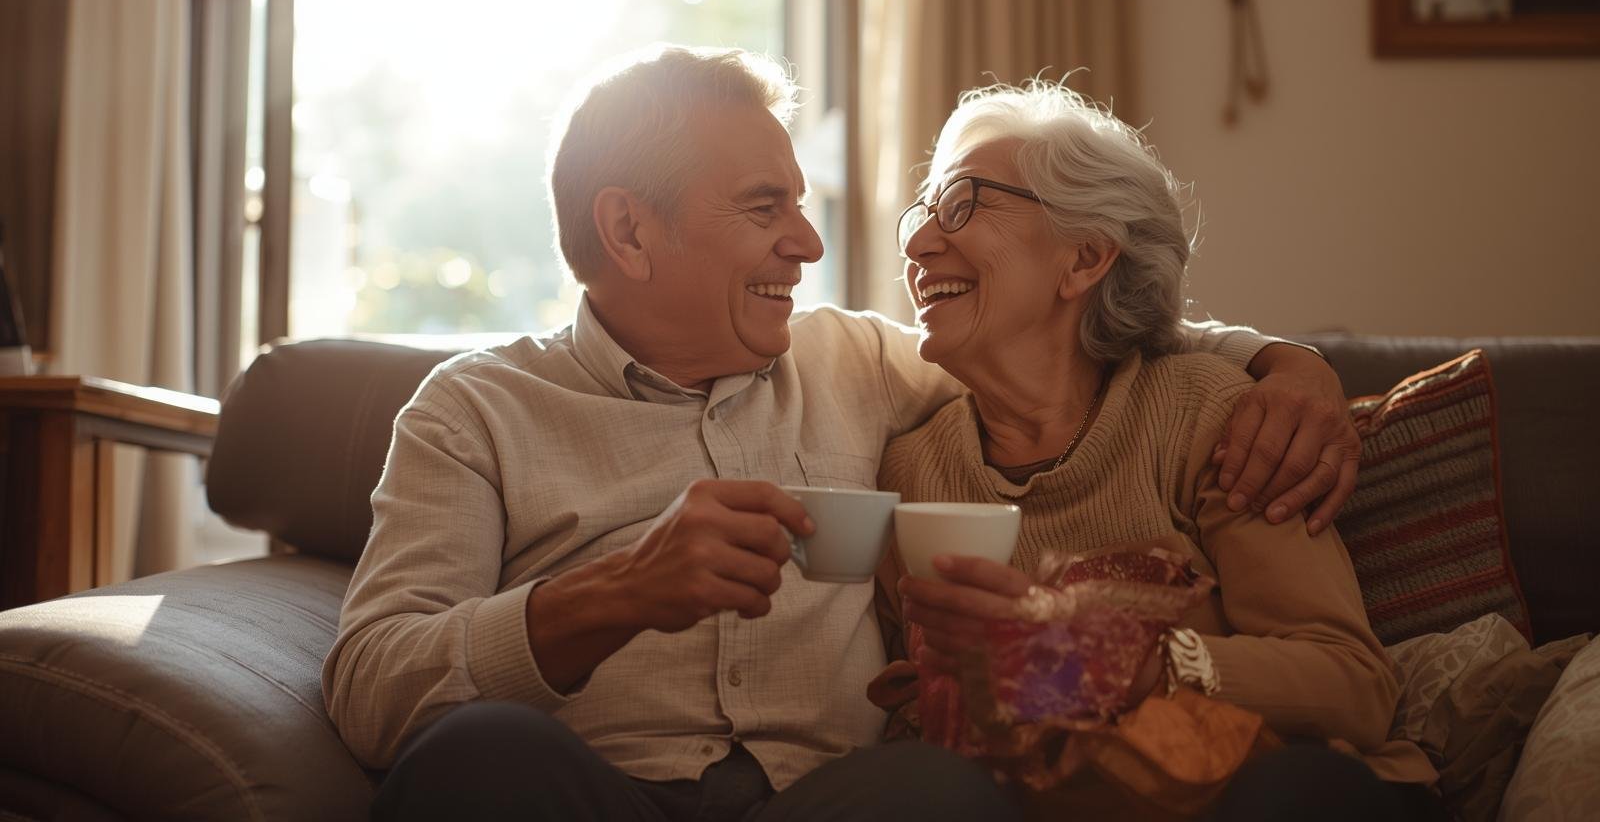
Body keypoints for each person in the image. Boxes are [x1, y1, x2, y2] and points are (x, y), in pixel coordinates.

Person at [322, 45, 1366, 821]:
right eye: (764, 207)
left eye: (802, 204)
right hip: (594, 795)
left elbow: (1078, 345)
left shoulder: (859, 364)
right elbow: (370, 686)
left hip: (831, 803)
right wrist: (614, 594)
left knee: (935, 793)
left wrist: (1294, 365)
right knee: (479, 758)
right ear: (629, 230)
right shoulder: (473, 410)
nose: (810, 243)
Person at [875, 80, 1445, 819]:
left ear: (1085, 259)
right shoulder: (910, 473)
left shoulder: (1205, 414)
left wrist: (1134, 664)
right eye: (922, 212)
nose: (918, 243)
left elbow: (1352, 686)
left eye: (961, 204)